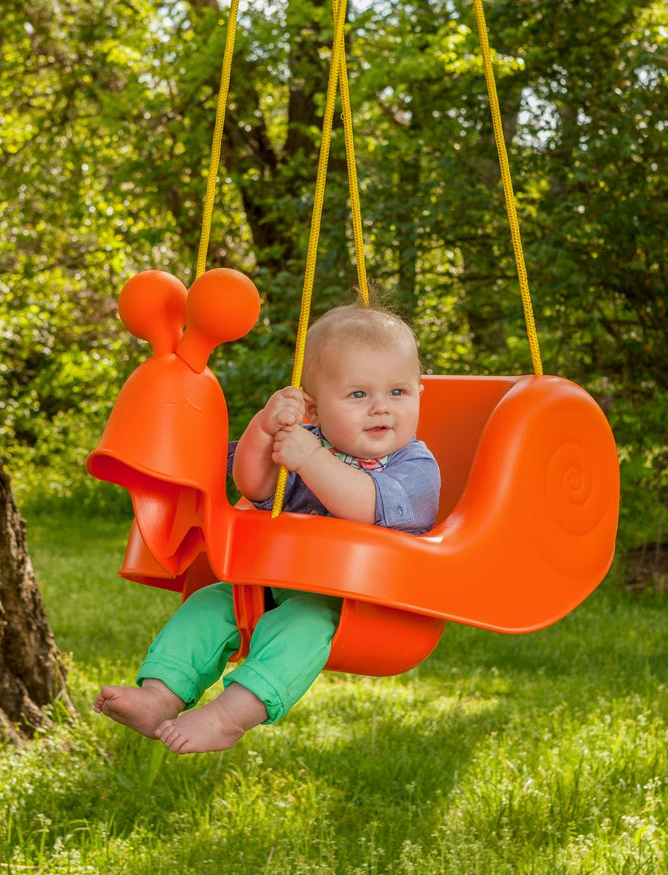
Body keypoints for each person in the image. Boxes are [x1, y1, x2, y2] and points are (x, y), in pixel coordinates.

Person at [93, 303, 441, 753]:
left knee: (303, 623)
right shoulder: (308, 442)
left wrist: (311, 461)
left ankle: (228, 716)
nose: (381, 408)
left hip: (363, 604)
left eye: (398, 393)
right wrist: (264, 428)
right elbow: (255, 485)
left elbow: (365, 506)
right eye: (358, 395)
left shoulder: (415, 466)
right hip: (281, 581)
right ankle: (160, 695)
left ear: (419, 394)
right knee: (210, 605)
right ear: (313, 408)